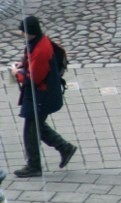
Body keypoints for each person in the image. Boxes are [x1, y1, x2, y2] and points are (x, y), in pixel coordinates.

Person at [11, 16, 77, 178]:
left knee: (31, 130)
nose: (21, 33)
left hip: (41, 96)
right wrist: (23, 66)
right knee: (36, 127)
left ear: (29, 33)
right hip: (41, 94)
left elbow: (34, 78)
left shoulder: (40, 50)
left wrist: (17, 74)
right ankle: (64, 148)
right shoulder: (39, 42)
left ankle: (34, 166)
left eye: (23, 31)